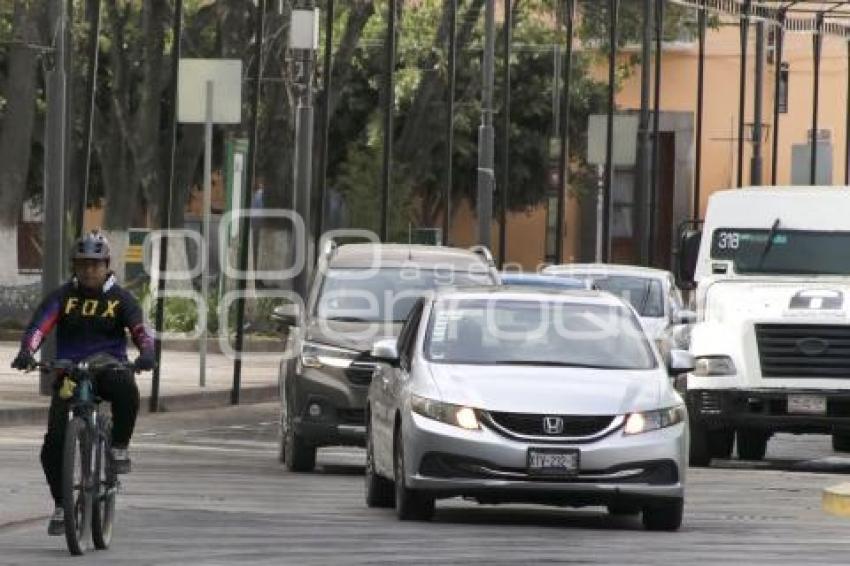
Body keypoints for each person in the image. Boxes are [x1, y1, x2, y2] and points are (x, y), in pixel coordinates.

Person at [10, 230, 155, 536]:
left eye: (95, 264)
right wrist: (27, 351)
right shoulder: (62, 297)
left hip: (110, 367)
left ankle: (118, 448)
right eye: (83, 264)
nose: (89, 270)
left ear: (107, 265)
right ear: (74, 266)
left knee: (127, 390)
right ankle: (63, 506)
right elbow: (40, 326)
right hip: (70, 372)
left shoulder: (122, 299)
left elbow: (140, 330)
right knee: (52, 446)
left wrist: (147, 354)